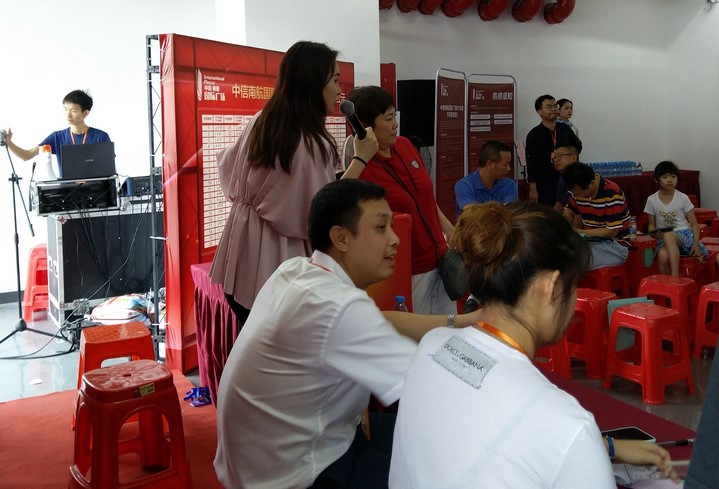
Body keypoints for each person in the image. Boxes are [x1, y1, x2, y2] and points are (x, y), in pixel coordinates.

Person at [214, 179, 483, 489]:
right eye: (381, 228)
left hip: (272, 455)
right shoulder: (338, 306)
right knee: (452, 461)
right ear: (340, 238)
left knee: (431, 440)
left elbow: (381, 321)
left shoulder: (296, 271)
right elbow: (426, 383)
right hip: (300, 472)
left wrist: (463, 322)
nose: (395, 239)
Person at [389, 201, 679, 488]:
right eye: (574, 285)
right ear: (551, 287)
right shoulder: (569, 426)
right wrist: (587, 447)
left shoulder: (431, 346)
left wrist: (603, 446)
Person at [209, 41, 378, 323]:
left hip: (239, 251)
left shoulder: (263, 120)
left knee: (252, 335)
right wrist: (360, 159)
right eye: (335, 80)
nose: (339, 91)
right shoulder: (310, 141)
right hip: (277, 260)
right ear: (314, 83)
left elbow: (228, 168)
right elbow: (321, 212)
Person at [343, 85, 456, 315]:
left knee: (448, 327)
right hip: (408, 267)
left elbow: (424, 198)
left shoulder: (404, 145)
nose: (395, 124)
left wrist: (450, 230)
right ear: (365, 126)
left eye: (394, 116)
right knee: (416, 331)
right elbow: (335, 198)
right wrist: (360, 158)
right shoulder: (362, 165)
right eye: (388, 119)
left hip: (441, 258)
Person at [5, 89, 111, 169]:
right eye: (65, 109)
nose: (68, 115)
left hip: (97, 190)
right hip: (67, 191)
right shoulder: (57, 137)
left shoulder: (100, 137)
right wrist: (9, 143)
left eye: (73, 111)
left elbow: (109, 169)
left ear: (85, 113)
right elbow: (27, 155)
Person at [644, 160, 708, 276]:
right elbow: (651, 224)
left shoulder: (682, 198)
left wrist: (695, 244)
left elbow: (694, 224)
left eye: (673, 176)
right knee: (663, 255)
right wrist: (653, 232)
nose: (669, 180)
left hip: (685, 235)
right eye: (665, 177)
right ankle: (668, 285)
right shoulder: (651, 200)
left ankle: (675, 277)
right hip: (664, 238)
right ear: (656, 180)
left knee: (668, 235)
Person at [563, 162, 631, 270]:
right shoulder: (578, 190)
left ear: (592, 183)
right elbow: (569, 211)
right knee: (556, 253)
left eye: (579, 194)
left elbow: (611, 231)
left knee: (572, 262)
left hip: (615, 246)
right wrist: (565, 221)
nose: (576, 196)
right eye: (574, 193)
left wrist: (579, 232)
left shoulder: (612, 193)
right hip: (591, 242)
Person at [525, 94, 583, 206]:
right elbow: (531, 163)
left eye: (555, 106)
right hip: (545, 182)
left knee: (568, 208)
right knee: (549, 212)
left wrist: (569, 157)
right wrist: (533, 188)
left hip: (567, 177)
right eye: (549, 107)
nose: (553, 109)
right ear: (540, 112)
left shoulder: (564, 128)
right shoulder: (534, 134)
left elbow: (578, 145)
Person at [454, 140, 517, 215]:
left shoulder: (510, 185)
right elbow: (472, 215)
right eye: (505, 165)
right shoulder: (464, 186)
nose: (509, 168)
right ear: (490, 164)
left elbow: (508, 214)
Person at [552, 143, 579, 212]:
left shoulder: (582, 177)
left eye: (559, 156)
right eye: (554, 157)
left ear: (573, 157)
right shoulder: (562, 179)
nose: (555, 160)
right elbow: (559, 204)